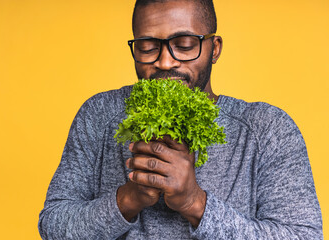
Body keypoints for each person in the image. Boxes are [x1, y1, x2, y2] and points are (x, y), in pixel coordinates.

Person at [38, 0, 323, 239]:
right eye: (148, 46)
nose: (165, 62)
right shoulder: (99, 114)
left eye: (185, 44)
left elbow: (303, 235)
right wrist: (127, 199)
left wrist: (195, 203)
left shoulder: (268, 129)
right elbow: (53, 224)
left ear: (215, 49)